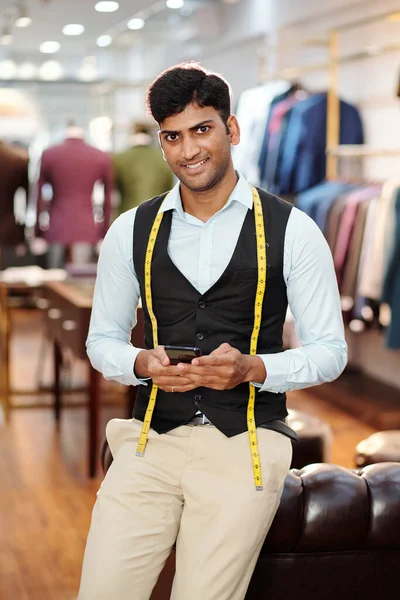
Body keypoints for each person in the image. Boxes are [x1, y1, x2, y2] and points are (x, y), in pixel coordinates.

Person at [79, 62, 347, 600]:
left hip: (246, 441)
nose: (187, 150)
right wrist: (138, 363)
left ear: (232, 130)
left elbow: (330, 351)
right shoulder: (130, 230)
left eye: (202, 129)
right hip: (150, 438)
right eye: (172, 136)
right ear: (161, 143)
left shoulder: (294, 229)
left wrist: (256, 368)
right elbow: (101, 339)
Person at [112, 122, 174, 215]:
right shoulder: (164, 159)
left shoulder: (118, 159)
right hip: (157, 217)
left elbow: (113, 188)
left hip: (126, 216)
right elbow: (169, 190)